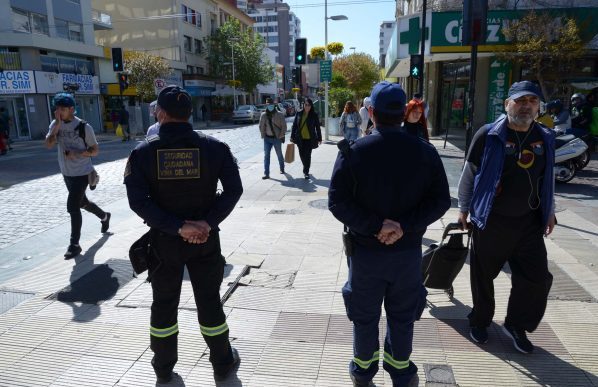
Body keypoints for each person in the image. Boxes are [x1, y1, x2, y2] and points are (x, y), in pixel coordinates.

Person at [329, 81, 451, 387]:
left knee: (365, 316)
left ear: (371, 112)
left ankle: (363, 373)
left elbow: (337, 201)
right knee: (402, 316)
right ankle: (401, 373)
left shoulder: (353, 152)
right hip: (407, 255)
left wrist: (376, 226)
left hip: (366, 254)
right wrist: (403, 226)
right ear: (404, 113)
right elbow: (440, 201)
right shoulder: (425, 152)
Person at [124, 85, 243, 384]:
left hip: (164, 243)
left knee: (164, 304)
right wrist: (206, 223)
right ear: (190, 113)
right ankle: (222, 362)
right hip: (205, 241)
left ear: (160, 114)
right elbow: (234, 190)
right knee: (209, 301)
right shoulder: (216, 148)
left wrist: (178, 227)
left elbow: (139, 202)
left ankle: (163, 368)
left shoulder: (143, 152)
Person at [457, 80, 556, 354]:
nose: (526, 106)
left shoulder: (545, 137)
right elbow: (469, 174)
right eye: (520, 100)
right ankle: (480, 321)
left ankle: (517, 324)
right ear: (507, 104)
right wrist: (464, 208)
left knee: (537, 278)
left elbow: (547, 179)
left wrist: (550, 211)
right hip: (491, 219)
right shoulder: (489, 134)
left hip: (529, 222)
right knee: (483, 276)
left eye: (532, 101)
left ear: (538, 106)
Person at [44, 92, 111, 259]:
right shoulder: (55, 124)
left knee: (72, 206)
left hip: (82, 172)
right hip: (66, 173)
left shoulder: (83, 127)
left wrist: (78, 153)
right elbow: (48, 145)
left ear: (72, 109)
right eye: (57, 108)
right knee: (82, 203)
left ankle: (74, 244)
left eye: (63, 108)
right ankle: (104, 216)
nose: (59, 111)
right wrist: (57, 125)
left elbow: (95, 151)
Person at [290, 98, 322, 179]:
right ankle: (306, 167)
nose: (307, 106)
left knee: (307, 155)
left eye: (309, 105)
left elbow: (318, 127)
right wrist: (292, 136)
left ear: (311, 106)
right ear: (303, 105)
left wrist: (319, 138)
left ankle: (306, 172)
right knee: (301, 155)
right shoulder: (299, 113)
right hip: (300, 138)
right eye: (306, 105)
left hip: (310, 139)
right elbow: (294, 125)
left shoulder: (314, 115)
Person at [259, 97, 287, 179]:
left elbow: (284, 126)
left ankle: (282, 168)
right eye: (268, 105)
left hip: (277, 138)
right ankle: (266, 173)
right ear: (266, 105)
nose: (269, 106)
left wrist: (281, 135)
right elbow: (261, 126)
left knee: (279, 155)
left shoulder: (279, 114)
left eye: (271, 104)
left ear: (274, 105)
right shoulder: (263, 115)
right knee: (266, 156)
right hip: (267, 139)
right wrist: (263, 135)